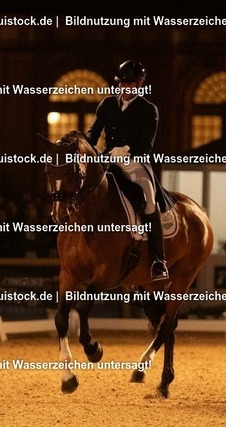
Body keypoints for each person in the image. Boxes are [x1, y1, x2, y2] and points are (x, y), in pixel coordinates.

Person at [86, 59, 167, 281]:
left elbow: (146, 145)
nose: (124, 88)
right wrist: (84, 145)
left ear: (139, 84)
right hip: (107, 160)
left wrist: (126, 150)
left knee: (149, 200)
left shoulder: (148, 109)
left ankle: (159, 260)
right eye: (121, 83)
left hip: (134, 162)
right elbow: (94, 132)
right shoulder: (107, 104)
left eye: (129, 84)